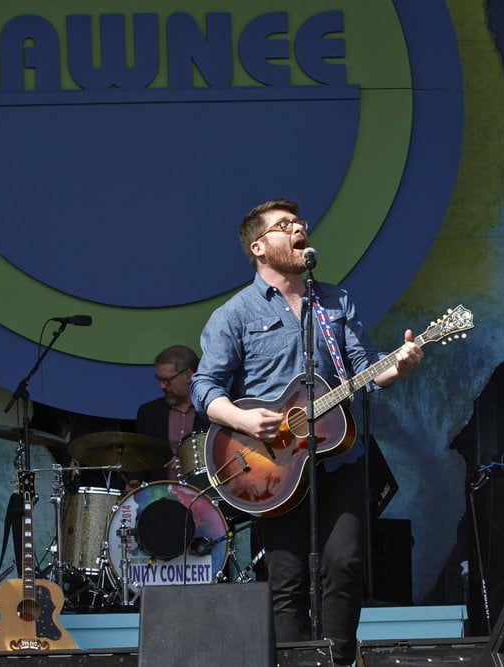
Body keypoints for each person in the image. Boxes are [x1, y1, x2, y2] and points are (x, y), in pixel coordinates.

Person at [190, 199, 423, 666]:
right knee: (288, 578)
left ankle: (337, 661)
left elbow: (362, 367)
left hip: (339, 458)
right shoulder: (234, 314)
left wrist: (395, 367)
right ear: (259, 246)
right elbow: (204, 386)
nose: (299, 229)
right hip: (273, 465)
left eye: (300, 223)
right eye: (285, 225)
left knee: (345, 564)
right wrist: (241, 419)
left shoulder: (334, 301)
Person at [134, 344, 209, 484]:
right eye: (159, 379)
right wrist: (135, 480)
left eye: (166, 380)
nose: (161, 386)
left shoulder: (212, 412)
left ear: (188, 375)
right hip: (158, 497)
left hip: (203, 497)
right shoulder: (149, 412)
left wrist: (187, 461)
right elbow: (141, 458)